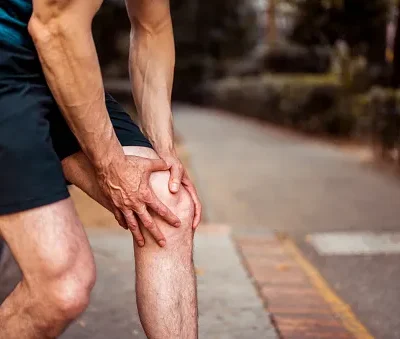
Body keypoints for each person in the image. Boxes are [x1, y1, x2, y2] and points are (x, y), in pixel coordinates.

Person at [0, 0, 202, 338]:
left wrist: (165, 153)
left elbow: (152, 28)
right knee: (62, 287)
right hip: (11, 67)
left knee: (169, 203)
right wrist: (110, 165)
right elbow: (55, 26)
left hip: (59, 68)